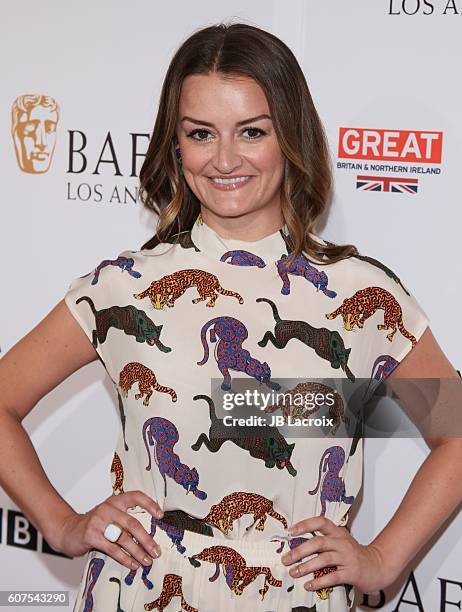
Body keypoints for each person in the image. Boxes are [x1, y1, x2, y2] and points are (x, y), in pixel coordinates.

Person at [1, 21, 461, 612]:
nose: (224, 159)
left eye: (251, 132)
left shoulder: (360, 296)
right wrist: (63, 526)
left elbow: (454, 431)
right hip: (140, 591)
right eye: (200, 133)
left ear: (290, 137)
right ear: (176, 144)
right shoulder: (124, 289)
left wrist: (383, 558)